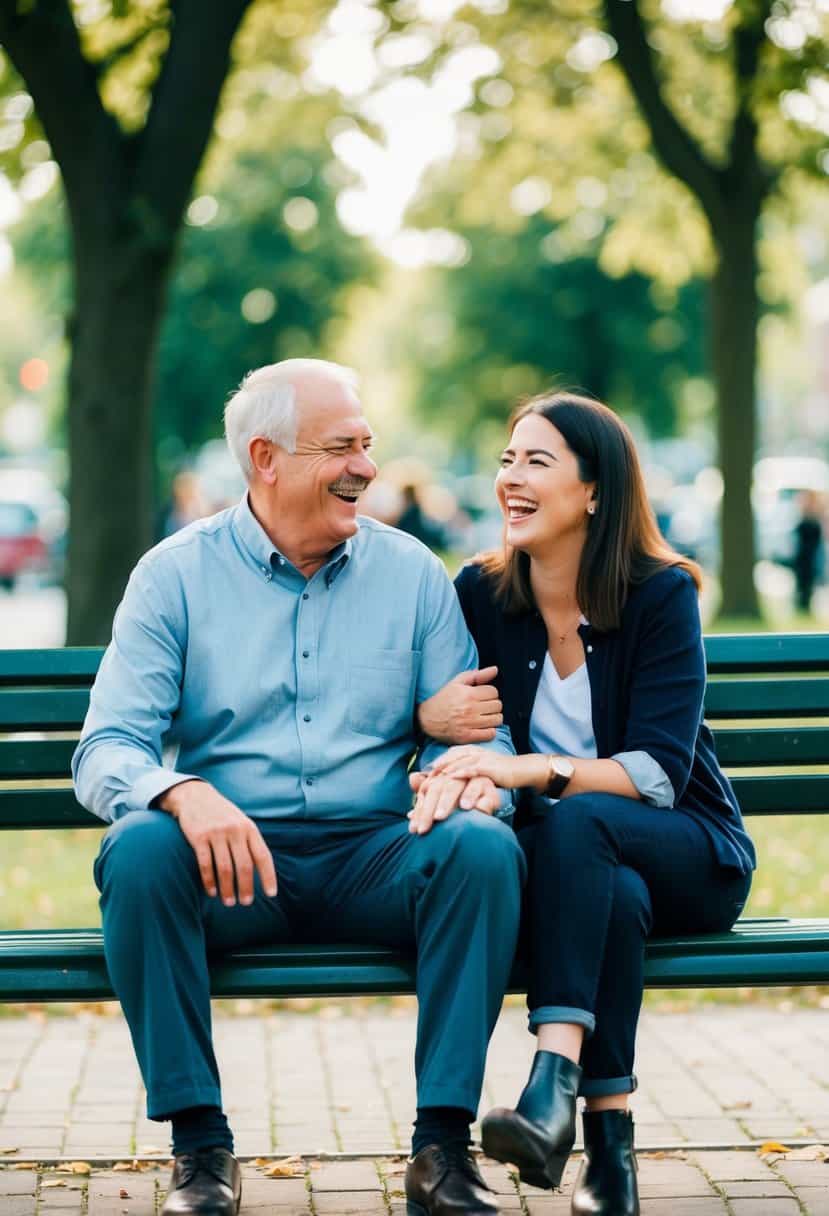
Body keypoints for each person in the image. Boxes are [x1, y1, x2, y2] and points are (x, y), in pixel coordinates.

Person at [72, 359, 526, 1216]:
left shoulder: (412, 574)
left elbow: (484, 737)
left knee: (480, 846)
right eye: (340, 448)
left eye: (367, 445)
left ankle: (443, 1148)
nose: (364, 466)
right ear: (266, 458)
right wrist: (179, 793)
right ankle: (199, 1148)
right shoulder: (173, 576)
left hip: (377, 857)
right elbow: (106, 749)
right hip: (234, 865)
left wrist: (464, 783)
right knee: (137, 850)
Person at [413, 392, 756, 1216]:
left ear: (594, 491)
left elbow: (658, 773)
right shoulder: (483, 596)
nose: (510, 479)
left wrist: (534, 770)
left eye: (536, 461)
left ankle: (549, 1081)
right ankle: (608, 1155)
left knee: (585, 820)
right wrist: (448, 746)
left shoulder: (660, 594)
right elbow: (456, 721)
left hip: (689, 849)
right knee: (612, 891)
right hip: (579, 870)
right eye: (506, 459)